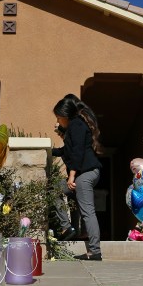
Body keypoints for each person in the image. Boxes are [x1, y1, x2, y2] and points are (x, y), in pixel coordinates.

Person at [51, 96, 103, 261]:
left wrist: (71, 175)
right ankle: (67, 228)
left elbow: (78, 153)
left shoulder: (78, 125)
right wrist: (49, 151)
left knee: (88, 212)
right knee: (54, 189)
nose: (58, 121)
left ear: (65, 116)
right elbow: (67, 151)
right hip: (82, 174)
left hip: (85, 174)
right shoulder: (73, 127)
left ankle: (95, 251)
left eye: (58, 118)